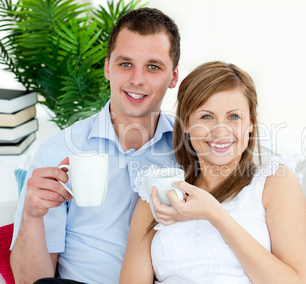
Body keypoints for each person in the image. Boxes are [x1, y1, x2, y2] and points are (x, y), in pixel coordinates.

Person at [10, 7, 180, 284]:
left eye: (153, 66)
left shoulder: (192, 152)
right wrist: (31, 214)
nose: (137, 79)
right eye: (125, 64)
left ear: (173, 76)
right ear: (107, 68)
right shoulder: (58, 152)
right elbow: (32, 281)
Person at [120, 61, 306, 283]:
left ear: (251, 123)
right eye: (206, 117)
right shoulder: (157, 192)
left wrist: (216, 215)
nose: (221, 130)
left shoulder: (275, 182)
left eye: (233, 117)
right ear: (187, 125)